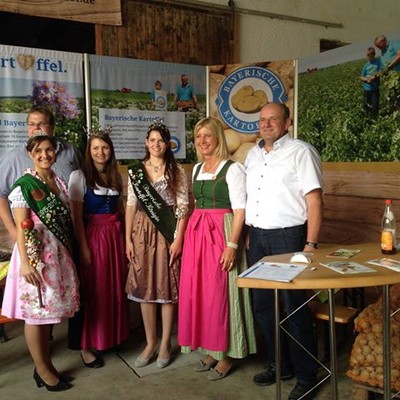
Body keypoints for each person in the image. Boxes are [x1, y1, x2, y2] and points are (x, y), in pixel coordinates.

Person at [245, 103, 323, 400]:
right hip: (259, 238)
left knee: (294, 308)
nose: (266, 124)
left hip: (289, 239)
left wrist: (311, 245)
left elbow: (314, 201)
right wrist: (252, 233)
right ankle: (280, 365)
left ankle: (307, 376)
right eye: (262, 119)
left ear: (287, 123)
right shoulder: (253, 155)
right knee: (263, 306)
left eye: (273, 119)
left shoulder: (301, 152)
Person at [178, 116, 257, 381]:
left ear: (217, 139)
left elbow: (240, 210)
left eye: (207, 136)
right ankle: (212, 348)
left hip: (222, 233)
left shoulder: (232, 169)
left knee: (221, 291)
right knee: (201, 292)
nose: (202, 142)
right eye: (198, 137)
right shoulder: (198, 168)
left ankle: (229, 352)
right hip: (198, 233)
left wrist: (232, 244)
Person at [1, 134, 80, 391]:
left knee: (47, 314)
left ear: (55, 152)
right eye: (39, 151)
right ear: (30, 154)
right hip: (35, 255)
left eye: (49, 150)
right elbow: (23, 229)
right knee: (35, 315)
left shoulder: (57, 181)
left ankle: (44, 366)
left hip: (56, 253)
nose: (44, 155)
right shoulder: (24, 185)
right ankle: (43, 369)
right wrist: (25, 263)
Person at [125, 122, 189, 369]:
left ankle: (165, 343)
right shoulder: (136, 172)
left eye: (160, 140)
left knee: (166, 286)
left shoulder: (176, 171)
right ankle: (150, 342)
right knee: (144, 287)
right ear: (146, 142)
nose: (156, 144)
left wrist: (179, 237)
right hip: (141, 230)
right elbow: (130, 204)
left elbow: (182, 206)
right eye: (152, 140)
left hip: (167, 231)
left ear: (167, 144)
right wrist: (127, 238)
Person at [68, 130, 129, 367]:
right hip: (93, 236)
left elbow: (121, 210)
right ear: (89, 151)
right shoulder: (79, 176)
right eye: (95, 148)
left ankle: (111, 337)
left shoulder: (115, 175)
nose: (100, 152)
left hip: (114, 236)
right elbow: (76, 218)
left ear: (110, 150)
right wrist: (83, 247)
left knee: (113, 286)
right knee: (93, 289)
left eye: (104, 147)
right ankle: (86, 346)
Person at [0, 105, 80, 243]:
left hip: (68, 235)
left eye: (41, 124)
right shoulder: (12, 158)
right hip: (32, 239)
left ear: (52, 127)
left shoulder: (71, 152)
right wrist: (13, 231)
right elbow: (1, 195)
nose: (36, 128)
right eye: (31, 124)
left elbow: (81, 188)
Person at [360, 47, 382, 117]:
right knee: (366, 106)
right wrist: (367, 79)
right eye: (367, 54)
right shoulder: (366, 65)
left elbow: (381, 71)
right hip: (367, 89)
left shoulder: (378, 62)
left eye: (369, 54)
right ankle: (367, 120)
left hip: (375, 89)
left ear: (374, 54)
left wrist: (373, 77)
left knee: (375, 106)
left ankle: (374, 120)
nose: (368, 56)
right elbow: (361, 76)